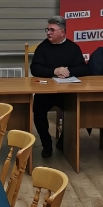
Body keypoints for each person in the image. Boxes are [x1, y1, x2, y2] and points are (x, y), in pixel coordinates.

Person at [31, 16, 86, 159]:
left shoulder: (73, 48)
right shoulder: (43, 47)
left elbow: (83, 68)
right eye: (47, 29)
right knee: (38, 111)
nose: (48, 33)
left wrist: (68, 72)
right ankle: (47, 144)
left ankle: (63, 142)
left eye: (52, 30)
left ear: (62, 32)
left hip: (68, 93)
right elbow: (35, 68)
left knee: (76, 110)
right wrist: (54, 71)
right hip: (46, 92)